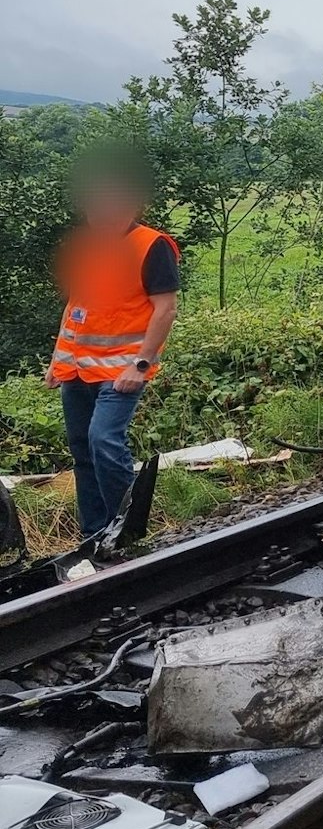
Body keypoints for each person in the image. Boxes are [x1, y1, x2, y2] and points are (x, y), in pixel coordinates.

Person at [44, 149, 179, 539]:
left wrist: (140, 365)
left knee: (103, 441)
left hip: (121, 371)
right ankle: (93, 534)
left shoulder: (151, 245)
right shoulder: (87, 246)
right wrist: (58, 360)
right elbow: (78, 305)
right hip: (78, 370)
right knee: (82, 451)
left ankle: (126, 529)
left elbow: (165, 309)